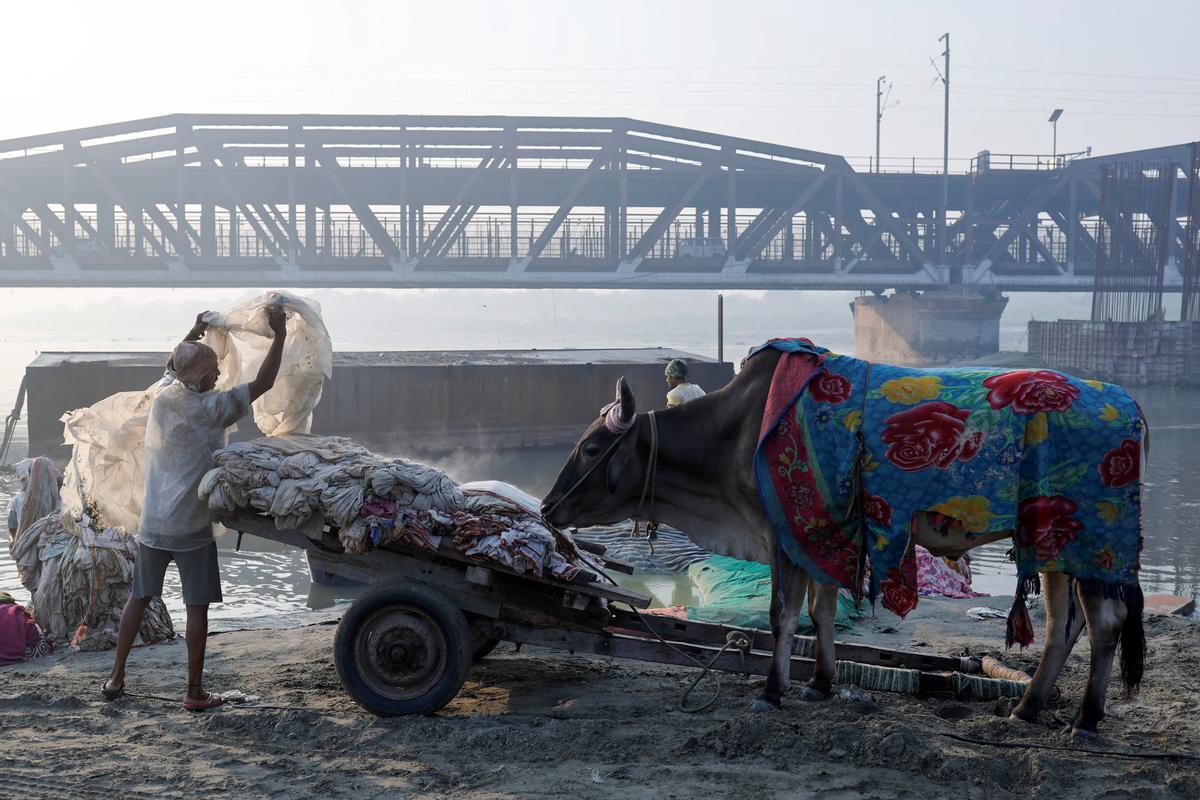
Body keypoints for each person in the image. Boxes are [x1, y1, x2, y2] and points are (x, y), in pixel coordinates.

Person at [103, 306, 287, 710]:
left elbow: (172, 364)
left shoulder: (164, 399)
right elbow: (266, 381)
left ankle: (115, 679)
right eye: (214, 370)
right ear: (201, 376)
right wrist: (280, 334)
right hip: (190, 527)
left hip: (153, 524)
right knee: (196, 606)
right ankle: (193, 691)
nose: (219, 375)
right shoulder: (212, 409)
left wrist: (195, 331)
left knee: (140, 597)